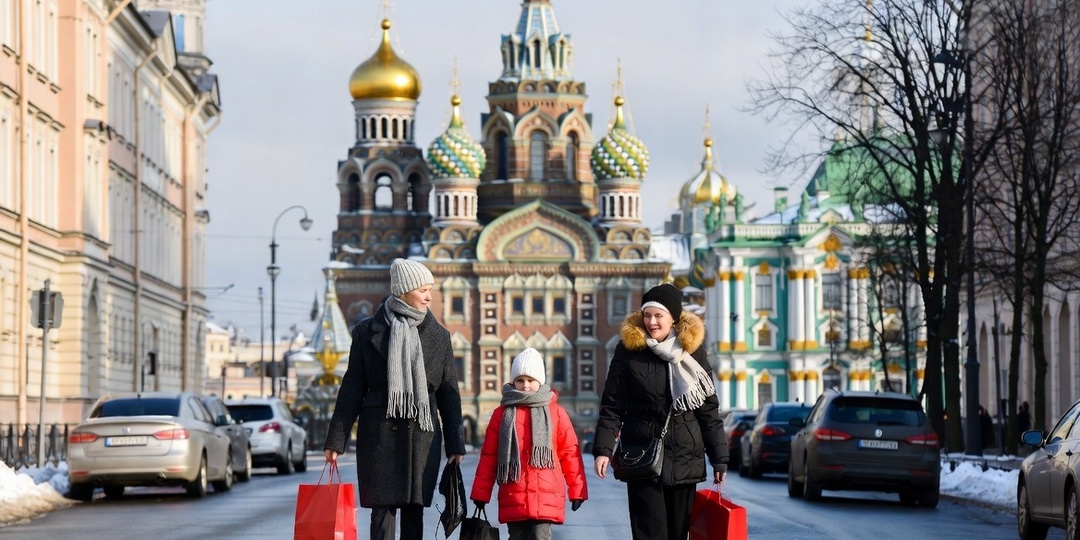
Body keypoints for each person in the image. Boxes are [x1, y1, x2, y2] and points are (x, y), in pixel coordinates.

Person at [323, 258, 466, 540]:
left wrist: (455, 443)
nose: (429, 296)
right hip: (380, 437)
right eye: (423, 289)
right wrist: (335, 441)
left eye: (430, 289)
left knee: (414, 512)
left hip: (422, 437)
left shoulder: (439, 336)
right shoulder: (366, 333)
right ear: (404, 290)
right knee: (382, 513)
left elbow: (449, 393)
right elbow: (352, 387)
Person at [592, 282, 728, 539]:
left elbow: (708, 409)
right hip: (641, 455)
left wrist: (719, 457)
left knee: (678, 534)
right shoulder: (628, 351)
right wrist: (603, 450)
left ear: (673, 319)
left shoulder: (693, 351)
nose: (651, 322)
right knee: (649, 534)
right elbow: (613, 405)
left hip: (685, 459)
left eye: (658, 316)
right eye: (647, 315)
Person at [471, 347, 588, 540]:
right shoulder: (502, 414)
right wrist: (481, 494)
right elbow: (489, 456)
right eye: (520, 380)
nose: (525, 386)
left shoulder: (556, 413)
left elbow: (570, 453)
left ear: (540, 381)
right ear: (513, 381)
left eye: (531, 380)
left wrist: (578, 490)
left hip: (546, 496)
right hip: (513, 494)